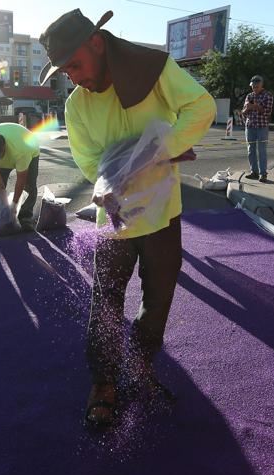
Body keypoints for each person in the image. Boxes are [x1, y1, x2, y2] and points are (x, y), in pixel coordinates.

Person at [39, 9, 215, 427]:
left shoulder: (155, 72)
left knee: (158, 301)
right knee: (106, 302)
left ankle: (140, 367)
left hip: (162, 215)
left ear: (97, 43)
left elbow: (201, 106)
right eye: (64, 70)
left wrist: (164, 146)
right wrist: (134, 163)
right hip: (113, 221)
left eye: (76, 64)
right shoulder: (76, 104)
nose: (74, 77)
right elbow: (86, 160)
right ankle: (103, 383)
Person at [0, 122, 40, 232]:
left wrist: (14, 206)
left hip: (29, 144)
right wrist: (5, 210)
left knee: (29, 184)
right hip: (12, 150)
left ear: (3, 149)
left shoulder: (22, 150)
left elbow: (21, 180)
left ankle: (25, 217)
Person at [242, 75, 273, 183]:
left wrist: (254, 106)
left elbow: (267, 112)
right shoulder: (249, 96)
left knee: (262, 151)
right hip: (250, 126)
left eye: (256, 86)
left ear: (261, 85)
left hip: (262, 127)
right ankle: (254, 172)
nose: (254, 88)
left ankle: (263, 174)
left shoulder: (267, 95)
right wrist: (246, 109)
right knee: (251, 150)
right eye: (253, 86)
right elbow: (244, 112)